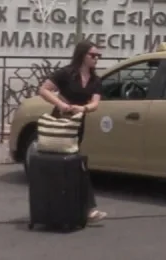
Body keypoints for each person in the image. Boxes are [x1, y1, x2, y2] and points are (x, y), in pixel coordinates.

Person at [37, 40, 107, 224]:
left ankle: (80, 208)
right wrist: (61, 104)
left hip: (77, 123)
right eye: (93, 55)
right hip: (60, 121)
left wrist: (83, 108)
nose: (96, 59)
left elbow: (95, 103)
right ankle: (78, 208)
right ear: (82, 55)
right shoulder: (66, 73)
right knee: (61, 164)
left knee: (74, 163)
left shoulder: (95, 80)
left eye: (98, 56)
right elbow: (43, 90)